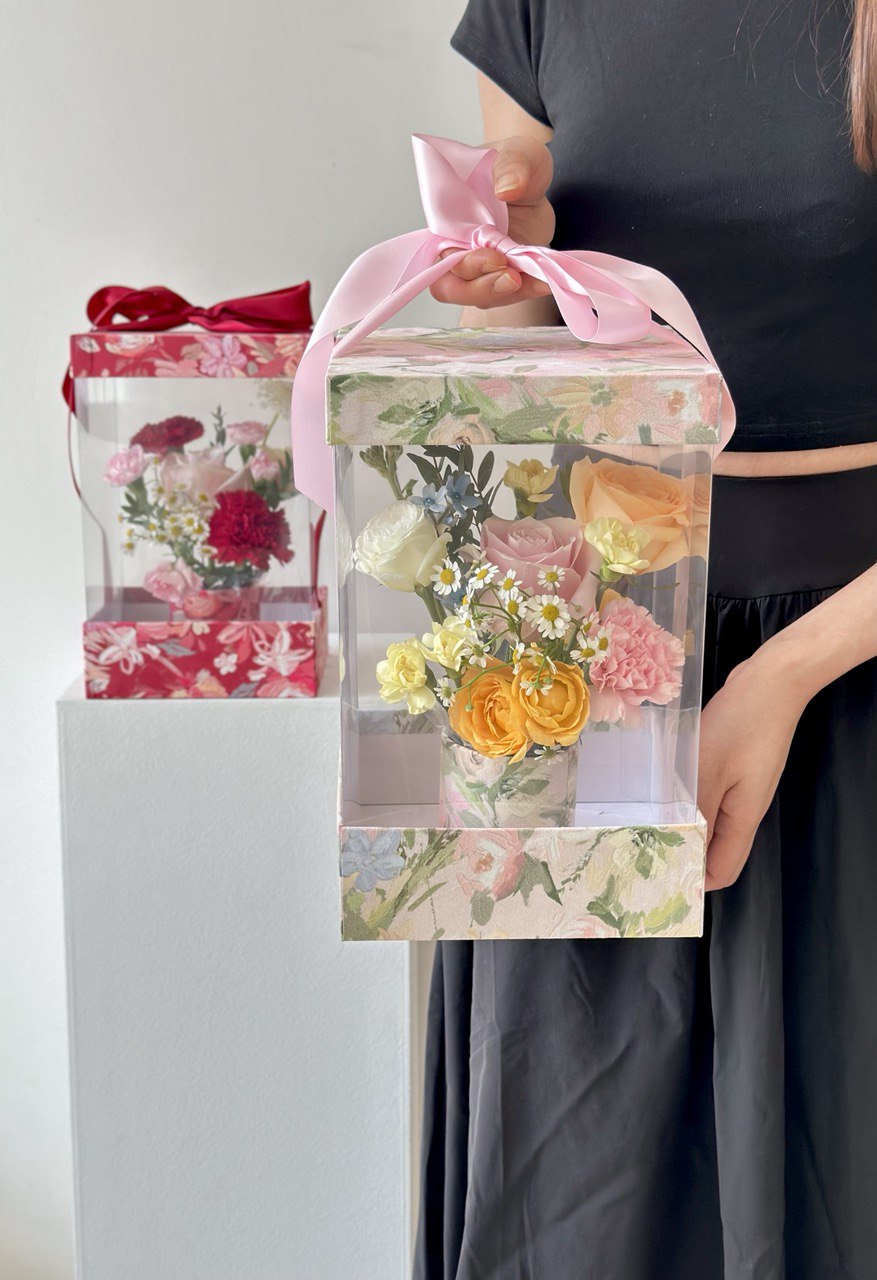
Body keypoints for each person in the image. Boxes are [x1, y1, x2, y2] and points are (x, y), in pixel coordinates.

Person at [413, 3, 877, 1277]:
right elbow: (530, 374)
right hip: (599, 673)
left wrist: (783, 675)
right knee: (577, 1214)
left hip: (851, 663)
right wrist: (511, 272)